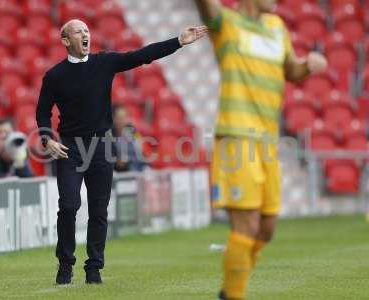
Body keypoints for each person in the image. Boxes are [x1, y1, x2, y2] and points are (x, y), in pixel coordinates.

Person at [36, 19, 208, 285]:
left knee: (99, 210)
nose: (85, 34)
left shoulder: (104, 63)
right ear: (65, 40)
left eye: (87, 31)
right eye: (78, 31)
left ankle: (94, 268)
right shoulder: (54, 76)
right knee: (68, 206)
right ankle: (65, 263)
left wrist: (177, 42)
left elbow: (141, 56)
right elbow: (42, 112)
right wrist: (47, 139)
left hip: (102, 147)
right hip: (71, 148)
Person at [194, 1, 328, 299]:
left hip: (268, 141)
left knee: (266, 229)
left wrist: (307, 65)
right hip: (236, 137)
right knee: (247, 224)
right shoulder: (227, 22)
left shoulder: (277, 27)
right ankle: (234, 295)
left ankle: (229, 292)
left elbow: (290, 68)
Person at [112, 104, 148, 172]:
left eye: (125, 117)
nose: (123, 121)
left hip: (139, 169)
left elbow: (142, 152)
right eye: (120, 118)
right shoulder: (109, 138)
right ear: (113, 119)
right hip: (123, 174)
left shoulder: (132, 132)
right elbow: (118, 164)